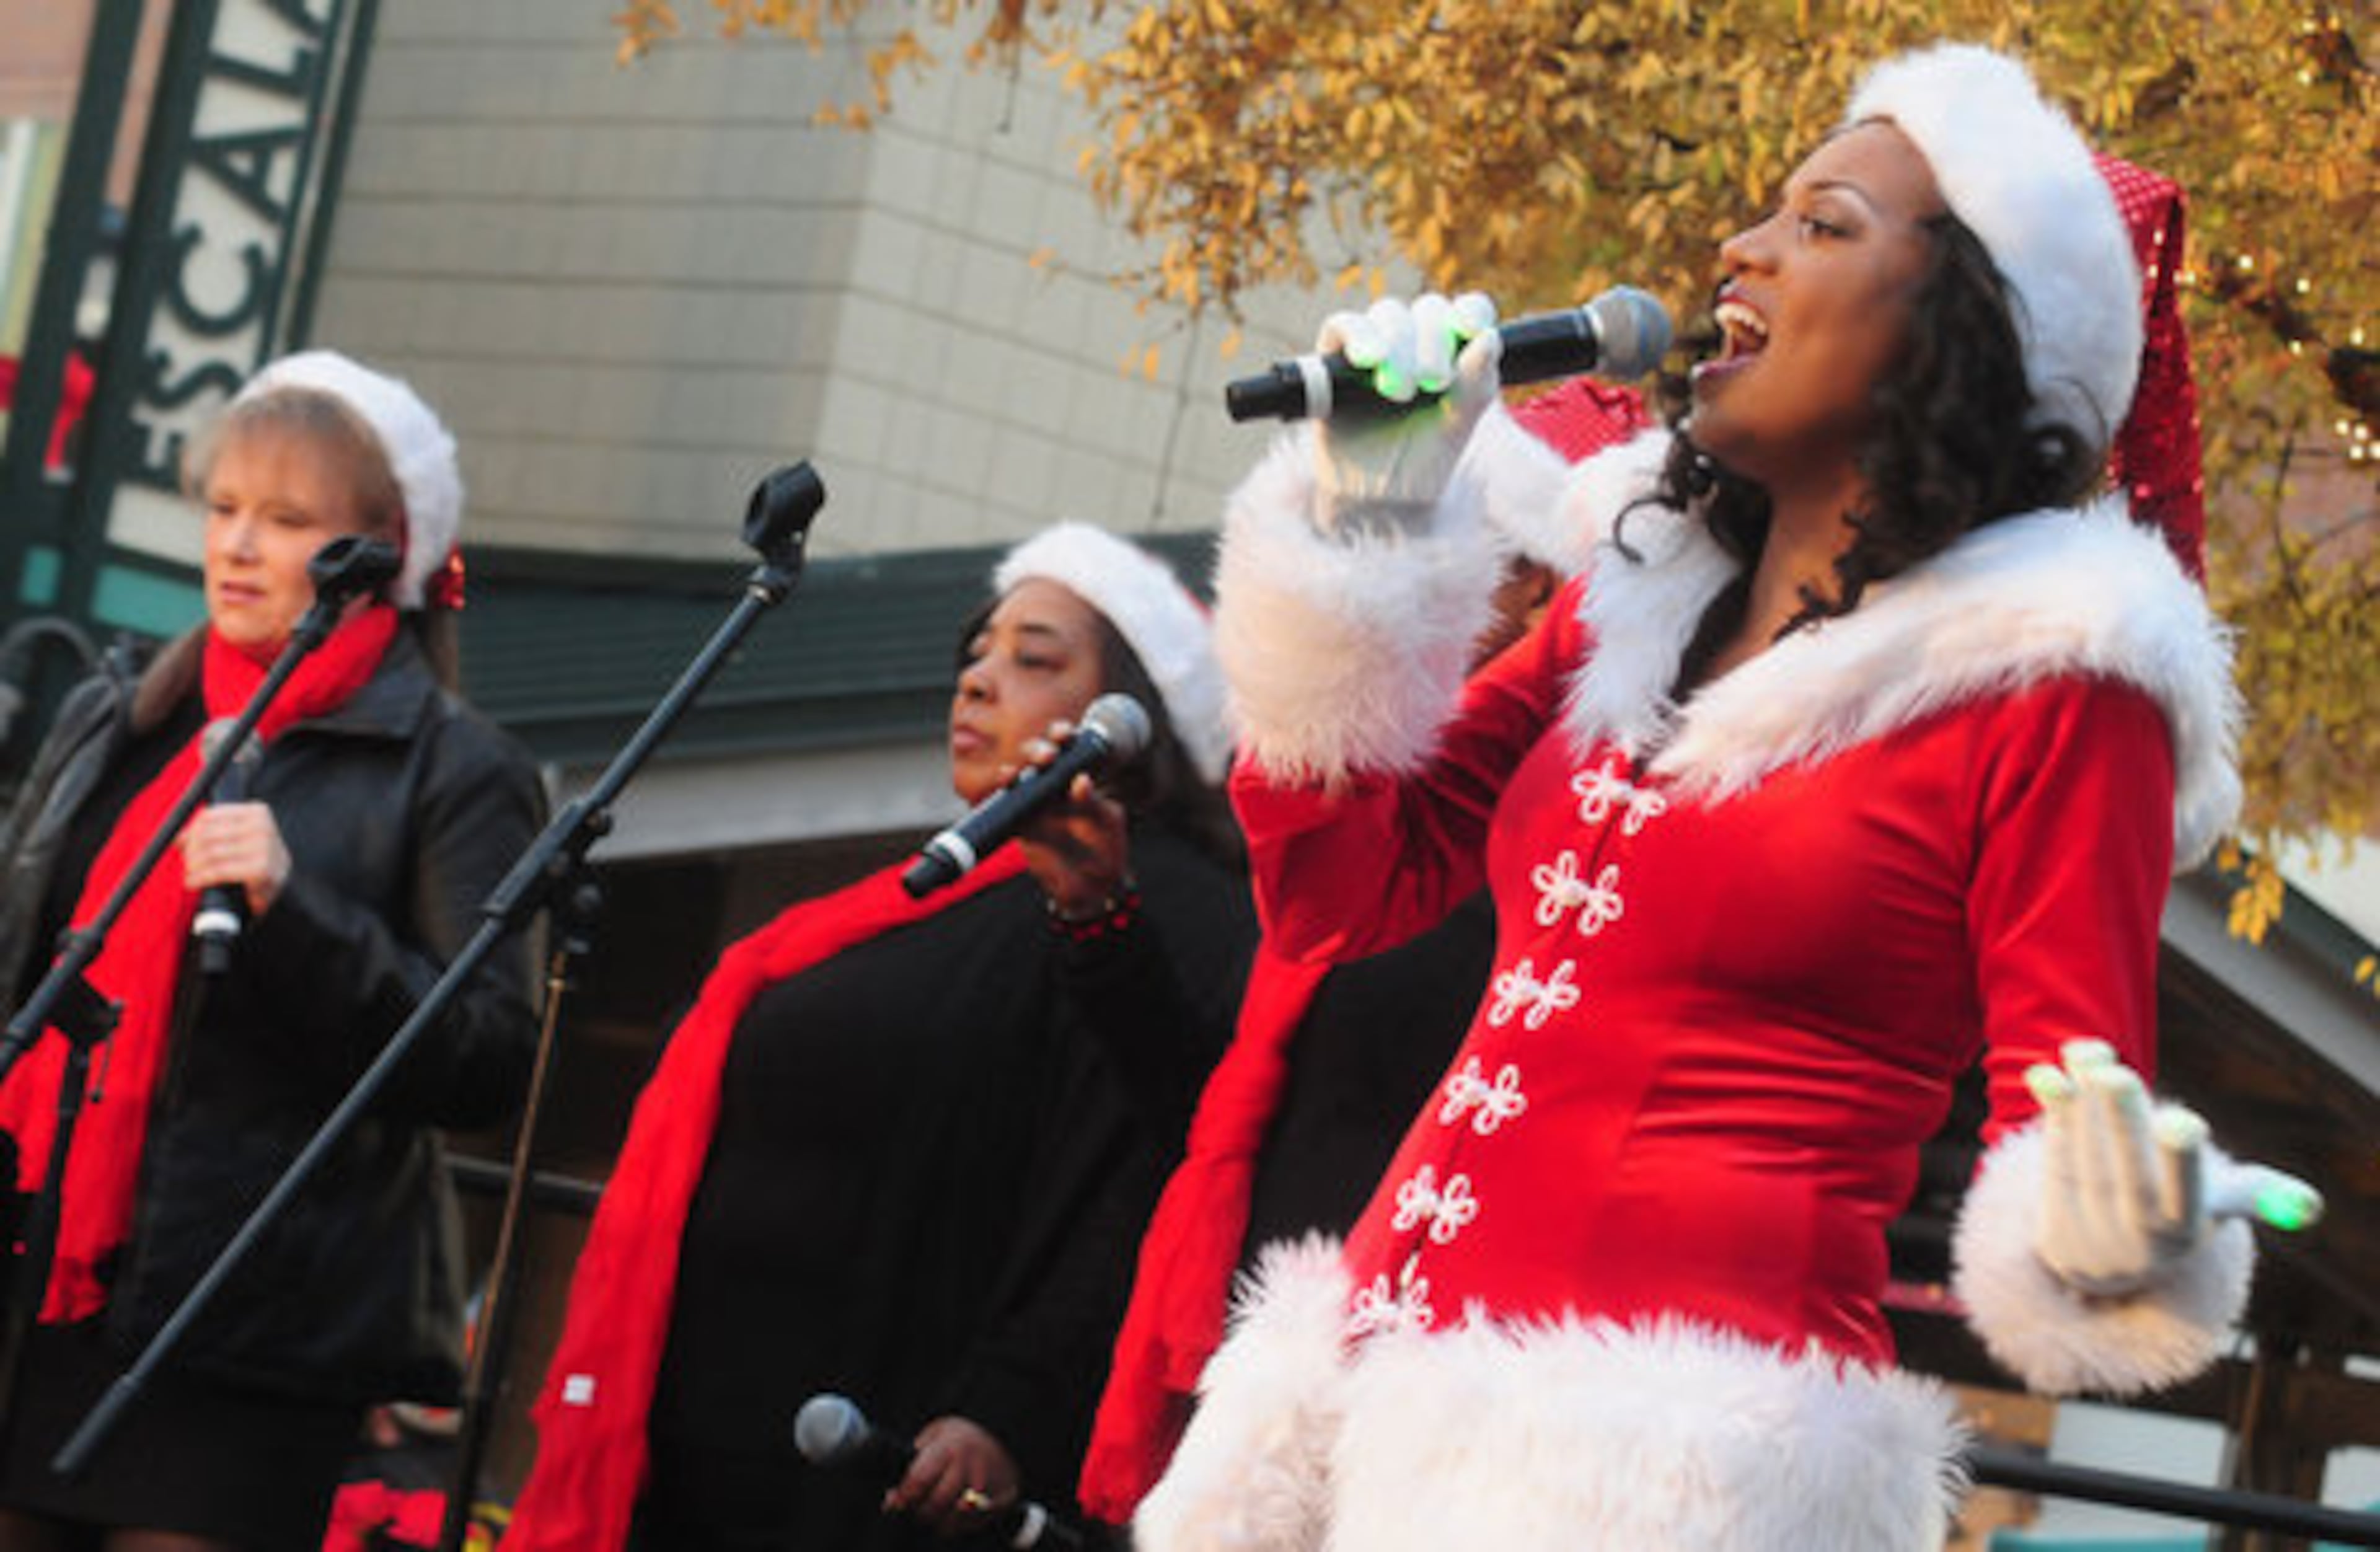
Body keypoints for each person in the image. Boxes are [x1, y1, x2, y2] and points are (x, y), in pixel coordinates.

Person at [1132, 43, 2319, 1552]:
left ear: (1967, 331)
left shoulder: (2057, 686)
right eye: (1765, 216)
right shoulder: (1632, 599)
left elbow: (2072, 1116)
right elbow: (1340, 891)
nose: (1738, 251)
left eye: (1823, 224)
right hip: (1353, 1413)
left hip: (1676, 1480)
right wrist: (1367, 530)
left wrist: (2122, 1221)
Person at [501, 522, 1255, 1552]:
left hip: (886, 1447)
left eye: (1033, 659)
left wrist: (1011, 1403)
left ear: (1134, 718)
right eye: (976, 654)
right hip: (726, 1426)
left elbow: (1139, 1185)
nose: (979, 682)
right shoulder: (936, 889)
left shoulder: (1164, 914)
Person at [1075, 383, 1649, 1523]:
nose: (1403, 573)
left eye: (1439, 536)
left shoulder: (1551, 831)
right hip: (1260, 1362)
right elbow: (1216, 1103)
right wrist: (1096, 925)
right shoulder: (1374, 806)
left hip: (1420, 1395)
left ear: (1531, 583)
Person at [0, 351, 544, 1550]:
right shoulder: (121, 712)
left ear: (381, 554)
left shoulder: (455, 771)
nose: (237, 546)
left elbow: (487, 1062)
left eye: (288, 519)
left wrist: (295, 915)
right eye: (226, 508)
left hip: (243, 1326)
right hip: (38, 1282)